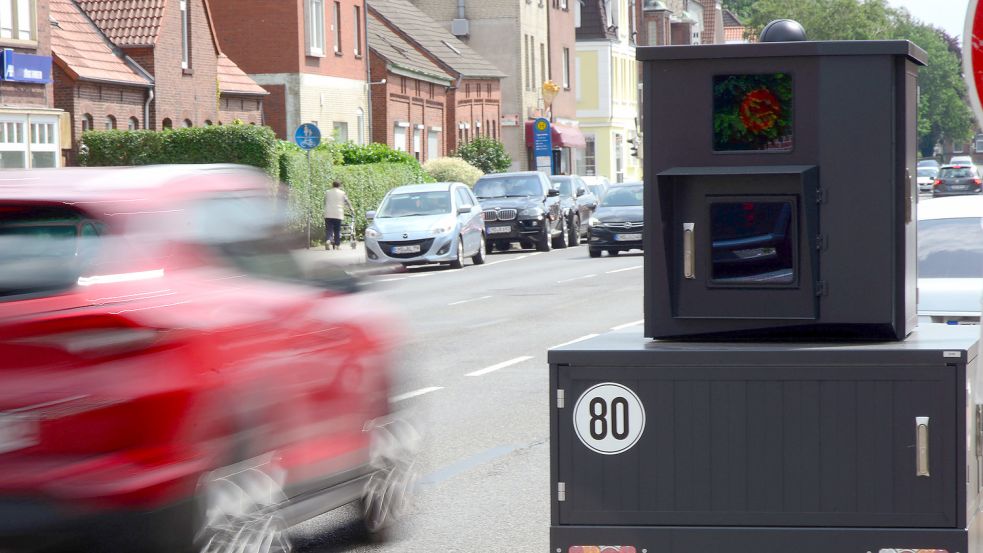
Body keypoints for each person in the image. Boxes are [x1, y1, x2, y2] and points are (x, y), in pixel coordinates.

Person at [324, 181, 352, 250]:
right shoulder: (342, 193)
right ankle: (337, 245)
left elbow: (325, 201)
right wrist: (351, 208)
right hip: (338, 214)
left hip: (328, 213)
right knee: (337, 230)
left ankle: (328, 240)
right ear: (339, 186)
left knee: (329, 229)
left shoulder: (327, 192)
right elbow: (347, 201)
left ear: (332, 185)